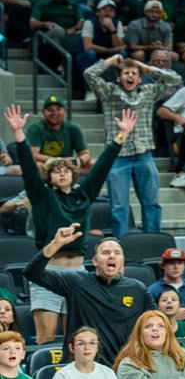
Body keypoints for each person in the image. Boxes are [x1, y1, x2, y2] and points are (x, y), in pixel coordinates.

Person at [6, 104, 132, 341]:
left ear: (73, 174)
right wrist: (19, 135)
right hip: (48, 271)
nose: (62, 173)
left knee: (76, 337)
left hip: (78, 272)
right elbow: (29, 168)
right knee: (45, 337)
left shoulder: (83, 195)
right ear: (50, 175)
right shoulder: (41, 196)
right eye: (56, 170)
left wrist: (120, 136)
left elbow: (102, 167)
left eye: (66, 169)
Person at [27, 226, 155, 363]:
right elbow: (32, 272)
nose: (111, 256)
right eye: (105, 252)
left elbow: (157, 323)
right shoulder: (76, 282)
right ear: (94, 261)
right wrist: (55, 244)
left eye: (117, 253)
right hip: (81, 368)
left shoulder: (138, 289)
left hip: (122, 367)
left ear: (122, 262)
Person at [84, 56, 181, 238]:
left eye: (134, 73)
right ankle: (121, 246)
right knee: (119, 206)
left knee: (151, 203)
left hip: (144, 154)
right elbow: (89, 74)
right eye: (126, 73)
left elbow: (174, 79)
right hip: (118, 157)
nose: (130, 76)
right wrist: (110, 61)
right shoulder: (108, 92)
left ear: (140, 78)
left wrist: (146, 66)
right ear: (119, 77)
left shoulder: (149, 91)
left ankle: (151, 240)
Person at [112, 310, 185, 379]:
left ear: (167, 332)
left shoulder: (184, 356)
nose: (155, 329)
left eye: (161, 326)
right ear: (140, 333)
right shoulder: (129, 363)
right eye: (148, 326)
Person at [149, 249, 185, 324]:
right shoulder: (152, 291)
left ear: (184, 265)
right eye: (171, 263)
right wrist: (172, 316)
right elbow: (148, 317)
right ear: (163, 265)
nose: (176, 267)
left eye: (179, 263)